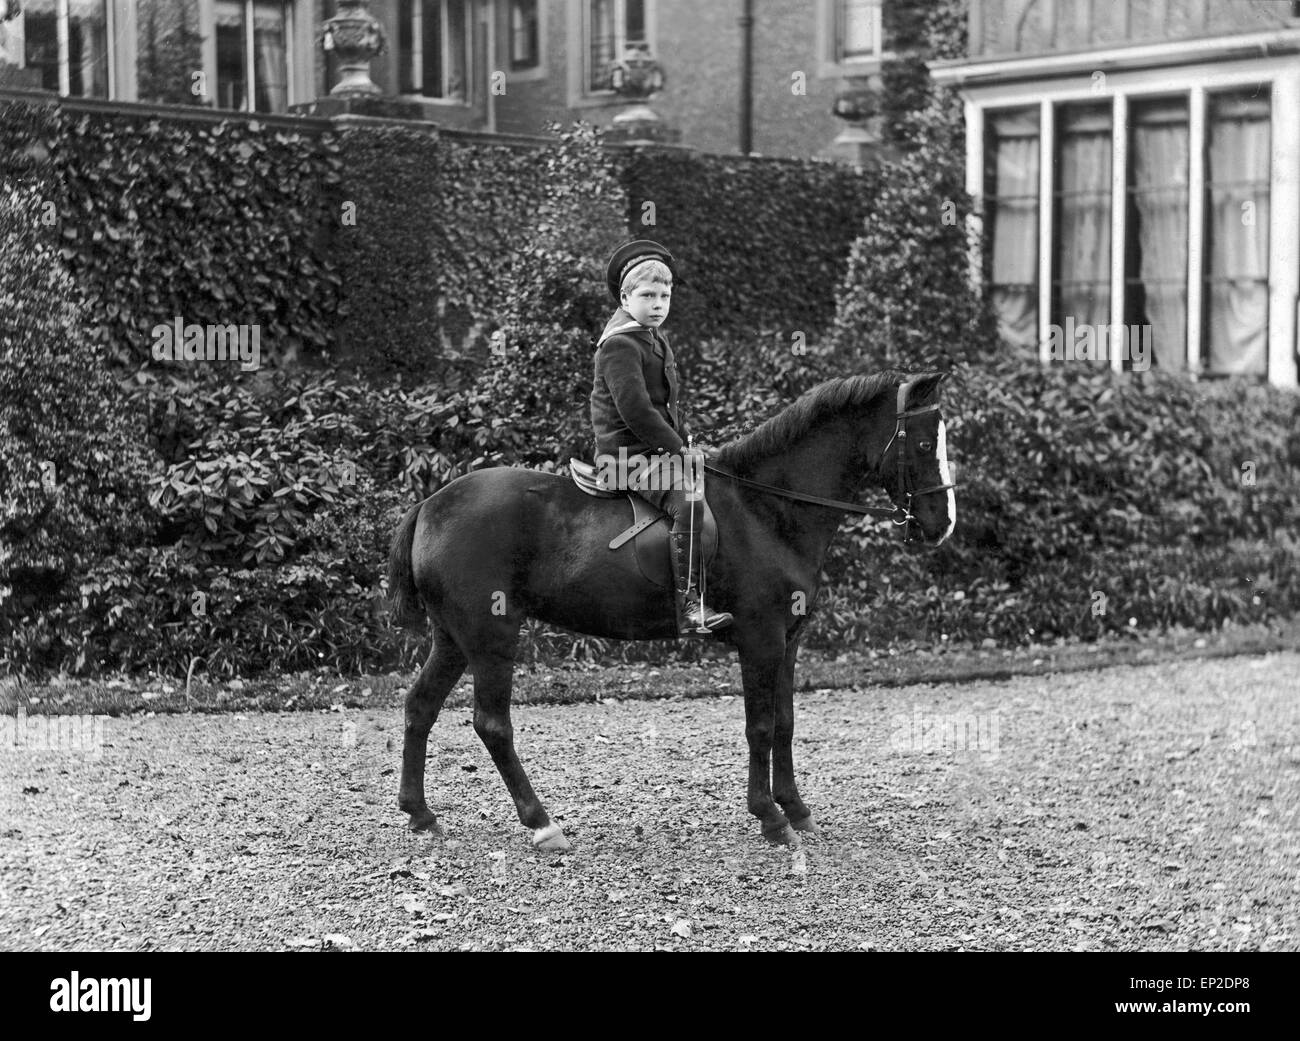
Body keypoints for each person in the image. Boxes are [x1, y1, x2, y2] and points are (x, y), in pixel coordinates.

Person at [590, 240, 733, 635]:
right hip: (625, 459)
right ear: (625, 297)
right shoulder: (620, 344)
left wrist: (687, 442)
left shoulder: (653, 337)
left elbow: (667, 406)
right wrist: (677, 451)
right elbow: (636, 411)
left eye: (665, 296)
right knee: (688, 499)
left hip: (654, 453)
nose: (658, 304)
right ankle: (689, 605)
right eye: (648, 295)